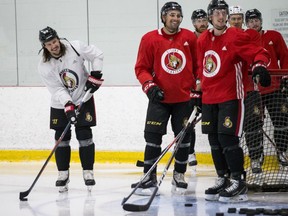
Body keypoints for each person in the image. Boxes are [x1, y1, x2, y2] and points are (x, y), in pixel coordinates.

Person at [197, 0, 270, 202]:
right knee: (214, 141)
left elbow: (259, 52)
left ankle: (238, 182)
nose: (221, 16)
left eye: (224, 12)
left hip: (231, 97)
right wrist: (197, 93)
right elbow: (201, 67)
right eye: (217, 13)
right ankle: (223, 177)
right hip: (209, 98)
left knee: (228, 140)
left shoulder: (236, 35)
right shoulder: (203, 39)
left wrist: (259, 66)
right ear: (210, 16)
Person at [132, 1, 199, 195]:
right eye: (171, 15)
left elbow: (198, 66)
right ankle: (148, 176)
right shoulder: (149, 39)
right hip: (159, 99)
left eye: (178, 15)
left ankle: (179, 175)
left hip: (184, 99)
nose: (175, 18)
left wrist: (197, 91)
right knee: (152, 138)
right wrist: (149, 86)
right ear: (163, 17)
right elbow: (141, 68)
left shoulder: (189, 37)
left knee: (184, 139)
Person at [38, 26, 104, 192]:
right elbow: (57, 89)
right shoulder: (44, 66)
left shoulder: (75, 46)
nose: (53, 45)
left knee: (85, 134)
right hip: (60, 104)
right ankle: (63, 174)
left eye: (54, 41)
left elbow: (97, 54)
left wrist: (95, 74)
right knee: (61, 137)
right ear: (44, 46)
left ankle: (88, 172)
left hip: (84, 96)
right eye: (49, 44)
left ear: (58, 38)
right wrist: (67, 104)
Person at [246, 9, 288, 168]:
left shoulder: (274, 36)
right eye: (250, 21)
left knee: (282, 119)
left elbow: (285, 57)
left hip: (274, 88)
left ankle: (282, 150)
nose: (254, 23)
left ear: (261, 20)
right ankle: (257, 157)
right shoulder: (244, 39)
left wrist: (285, 79)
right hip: (253, 91)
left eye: (256, 19)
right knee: (253, 125)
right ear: (246, 23)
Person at [228, 5, 265, 174]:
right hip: (229, 91)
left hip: (249, 89)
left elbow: (256, 54)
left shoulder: (250, 35)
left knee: (253, 126)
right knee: (229, 131)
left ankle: (255, 159)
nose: (236, 21)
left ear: (242, 20)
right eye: (233, 18)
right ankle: (231, 166)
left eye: (238, 18)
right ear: (228, 20)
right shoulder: (222, 37)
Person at [187, 9, 209, 168]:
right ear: (194, 23)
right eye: (198, 20)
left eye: (204, 20)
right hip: (194, 87)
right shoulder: (189, 39)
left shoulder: (213, 36)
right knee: (189, 122)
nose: (202, 23)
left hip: (211, 87)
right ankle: (190, 152)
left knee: (213, 124)